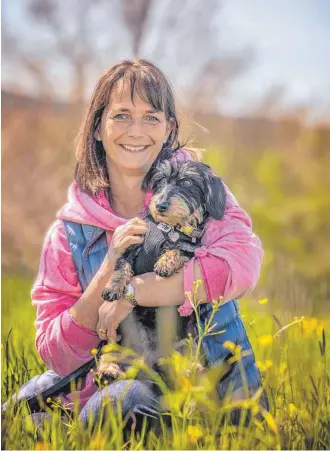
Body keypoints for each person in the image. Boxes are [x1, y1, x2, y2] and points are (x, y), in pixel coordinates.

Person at [14, 59, 268, 432]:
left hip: (208, 396)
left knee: (119, 404)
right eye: (121, 115)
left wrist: (132, 293)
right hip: (108, 383)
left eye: (151, 117)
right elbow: (55, 352)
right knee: (16, 415)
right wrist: (106, 275)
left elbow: (242, 263)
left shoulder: (201, 190)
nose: (136, 130)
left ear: (169, 128)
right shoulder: (70, 232)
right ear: (98, 128)